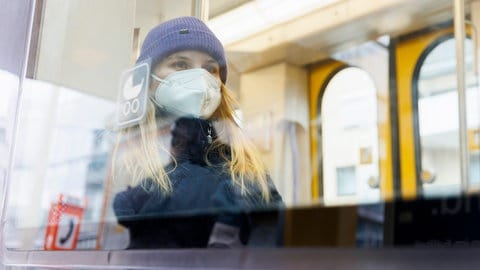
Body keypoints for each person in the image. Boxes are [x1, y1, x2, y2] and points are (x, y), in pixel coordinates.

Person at [112, 16, 283, 249]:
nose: (200, 79)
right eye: (180, 64)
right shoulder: (120, 161)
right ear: (148, 80)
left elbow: (279, 243)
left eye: (210, 68)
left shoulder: (243, 165)